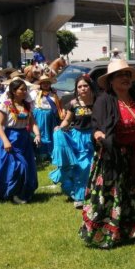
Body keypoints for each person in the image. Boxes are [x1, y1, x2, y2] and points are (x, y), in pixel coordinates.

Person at [79, 59, 135, 250]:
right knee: (111, 197)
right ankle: (106, 234)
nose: (126, 78)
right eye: (121, 75)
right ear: (111, 80)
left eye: (128, 75)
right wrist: (98, 134)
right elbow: (96, 125)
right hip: (112, 157)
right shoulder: (104, 100)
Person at [0, 79, 41, 204]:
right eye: (21, 89)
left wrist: (37, 134)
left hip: (24, 138)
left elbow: (32, 123)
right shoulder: (5, 105)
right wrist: (5, 141)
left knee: (27, 166)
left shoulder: (27, 105)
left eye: (25, 89)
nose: (24, 92)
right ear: (14, 91)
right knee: (16, 167)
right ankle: (10, 192)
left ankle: (19, 193)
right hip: (10, 137)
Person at [49, 74, 96, 208]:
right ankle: (79, 196)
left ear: (90, 86)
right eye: (79, 86)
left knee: (92, 166)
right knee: (83, 166)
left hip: (93, 137)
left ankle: (92, 192)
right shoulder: (73, 104)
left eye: (85, 85)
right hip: (77, 138)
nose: (83, 89)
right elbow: (67, 120)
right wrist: (60, 127)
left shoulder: (98, 101)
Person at [29, 74, 64, 161]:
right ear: (40, 84)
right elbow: (28, 101)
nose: (45, 85)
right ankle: (41, 153)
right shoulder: (35, 93)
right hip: (39, 115)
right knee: (41, 133)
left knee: (51, 133)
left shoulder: (55, 93)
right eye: (43, 83)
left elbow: (60, 103)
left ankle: (51, 152)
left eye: (47, 83)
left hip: (51, 116)